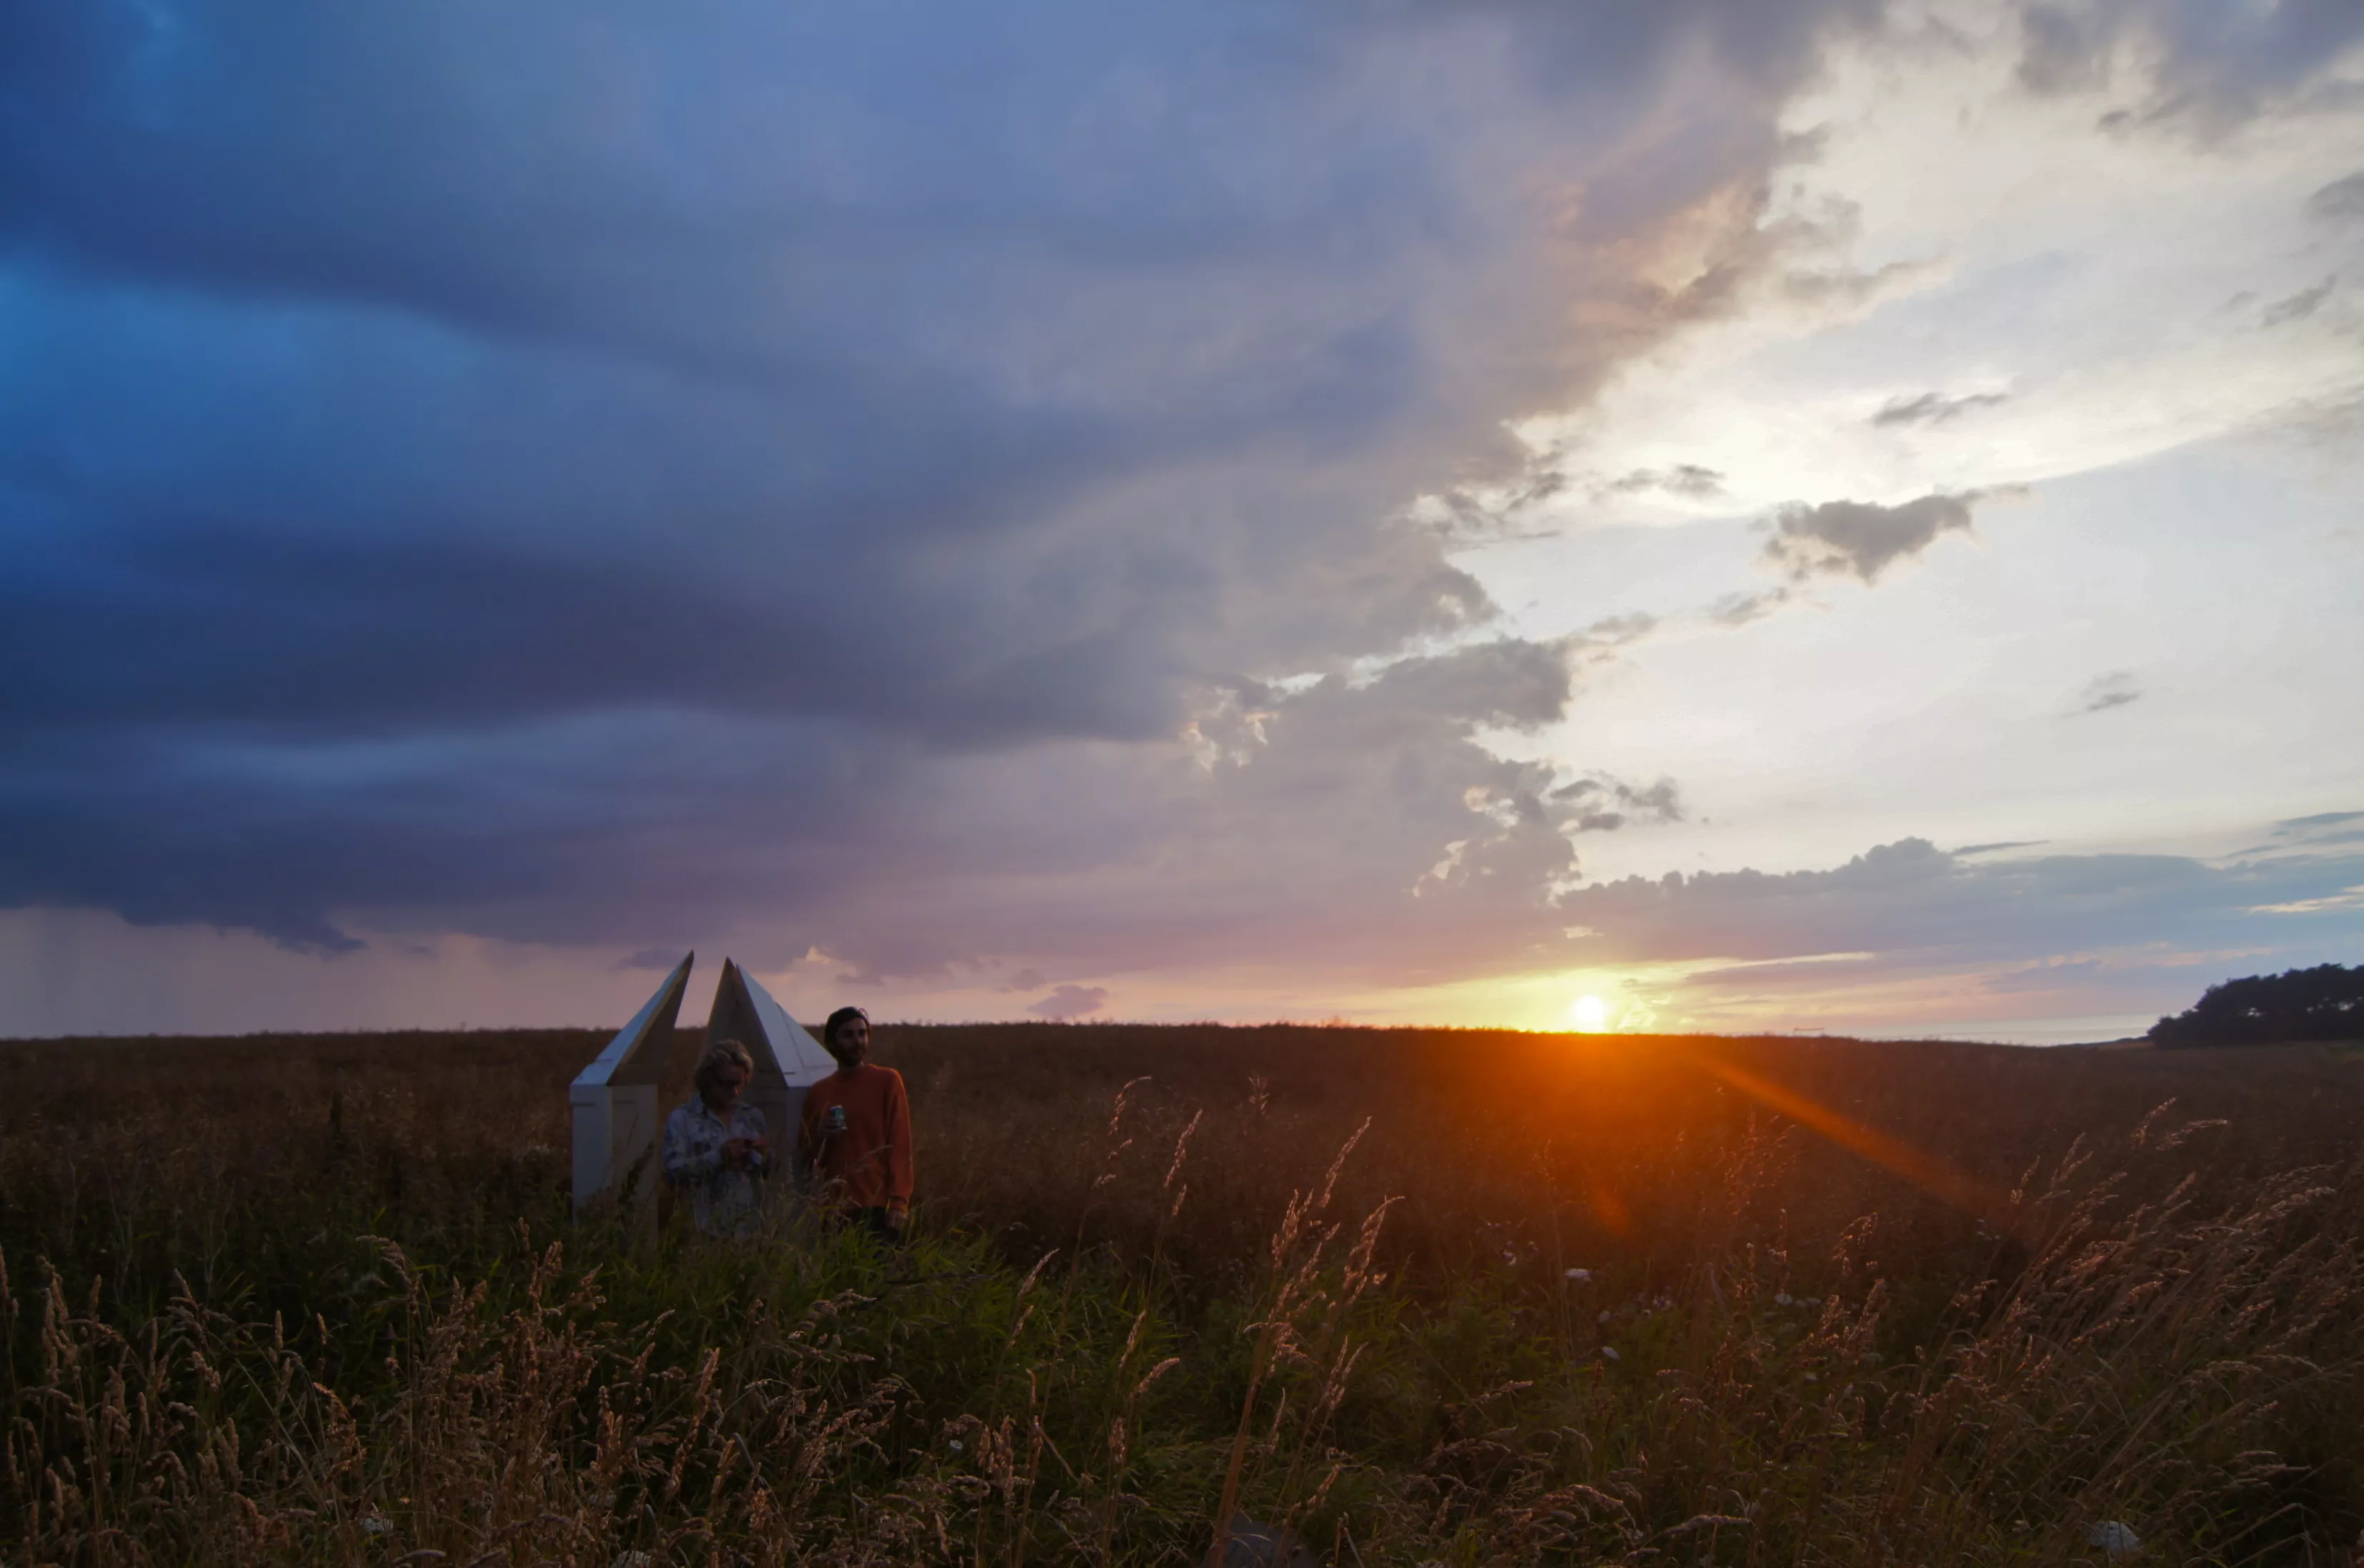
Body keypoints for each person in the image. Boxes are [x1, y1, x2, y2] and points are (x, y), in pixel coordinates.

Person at [798, 1006, 913, 1242]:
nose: (858, 1041)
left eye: (862, 1033)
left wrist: (899, 1202)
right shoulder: (819, 1092)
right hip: (834, 1210)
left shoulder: (887, 1081)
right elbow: (806, 1156)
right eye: (848, 1035)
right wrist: (821, 1136)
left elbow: (900, 1145)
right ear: (831, 1042)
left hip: (877, 1206)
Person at [661, 1039, 771, 1236]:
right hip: (701, 1230)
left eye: (739, 1083)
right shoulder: (683, 1119)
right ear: (708, 1079)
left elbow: (768, 1173)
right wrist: (719, 1158)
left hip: (748, 1230)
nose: (734, 1091)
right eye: (726, 1084)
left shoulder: (753, 1117)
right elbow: (672, 1171)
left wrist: (762, 1155)